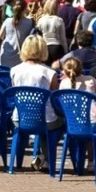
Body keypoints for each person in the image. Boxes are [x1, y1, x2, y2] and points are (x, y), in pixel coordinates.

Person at [60, 57, 96, 177]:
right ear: (82, 69)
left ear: (65, 72)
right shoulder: (91, 80)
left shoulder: (63, 84)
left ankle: (91, 163)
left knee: (88, 136)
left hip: (75, 124)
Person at [9, 35, 60, 171]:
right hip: (45, 119)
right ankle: (46, 157)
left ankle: (22, 160)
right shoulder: (50, 72)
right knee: (62, 123)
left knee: (45, 126)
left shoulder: (14, 70)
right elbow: (55, 97)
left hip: (20, 118)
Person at [0, 0, 32, 68]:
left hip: (5, 55)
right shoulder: (29, 22)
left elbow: (0, 36)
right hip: (20, 57)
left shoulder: (7, 21)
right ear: (25, 9)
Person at [35, 0, 68, 65]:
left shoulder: (41, 20)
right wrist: (66, 51)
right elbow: (63, 38)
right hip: (57, 47)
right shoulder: (59, 20)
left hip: (45, 46)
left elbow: (38, 36)